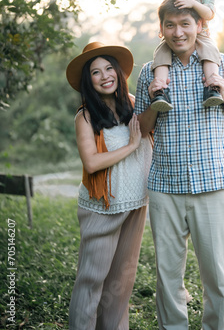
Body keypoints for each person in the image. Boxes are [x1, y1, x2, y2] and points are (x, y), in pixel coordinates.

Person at [134, 0, 224, 330]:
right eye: (170, 25)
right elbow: (142, 129)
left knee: (215, 276)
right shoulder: (149, 71)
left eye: (185, 24)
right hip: (165, 188)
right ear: (161, 29)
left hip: (211, 184)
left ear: (199, 26)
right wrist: (155, 101)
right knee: (167, 276)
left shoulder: (223, 64)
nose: (178, 32)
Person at [65, 41, 152, 330]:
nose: (105, 76)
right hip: (102, 209)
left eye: (108, 68)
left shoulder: (132, 103)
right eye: (95, 72)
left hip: (136, 205)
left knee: (121, 284)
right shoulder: (86, 116)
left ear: (118, 71)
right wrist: (130, 146)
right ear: (88, 81)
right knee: (91, 281)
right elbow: (91, 163)